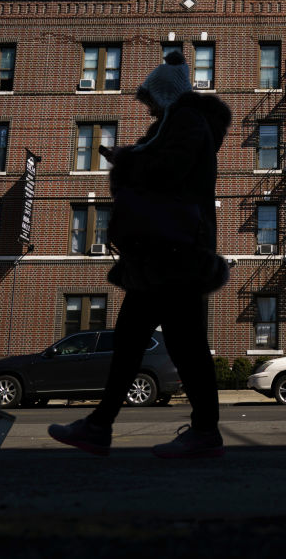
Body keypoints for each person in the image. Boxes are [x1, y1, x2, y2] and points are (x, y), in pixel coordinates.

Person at [49, 51, 231, 458]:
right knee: (143, 340)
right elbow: (162, 166)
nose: (148, 107)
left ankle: (197, 432)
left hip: (175, 254)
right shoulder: (175, 124)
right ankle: (102, 426)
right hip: (165, 254)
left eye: (151, 98)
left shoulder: (186, 121)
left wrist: (128, 161)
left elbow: (169, 171)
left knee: (174, 345)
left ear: (166, 93)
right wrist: (130, 156)